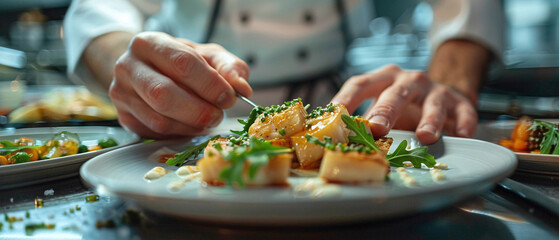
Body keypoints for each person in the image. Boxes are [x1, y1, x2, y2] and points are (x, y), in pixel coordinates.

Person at [63, 0, 502, 144]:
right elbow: (96, 11)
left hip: (339, 105)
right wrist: (133, 65)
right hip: (187, 123)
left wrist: (448, 88)